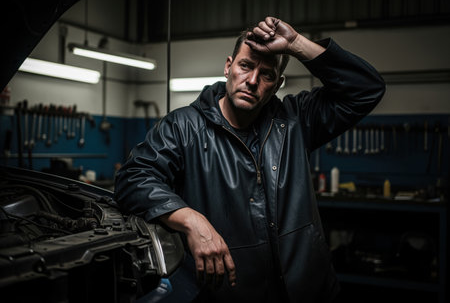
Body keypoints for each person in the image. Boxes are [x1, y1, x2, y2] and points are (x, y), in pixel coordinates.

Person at [114, 17, 385, 302]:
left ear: (278, 83)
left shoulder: (295, 122)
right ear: (228, 66)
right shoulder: (183, 127)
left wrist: (295, 44)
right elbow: (133, 179)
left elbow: (366, 89)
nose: (253, 80)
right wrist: (191, 221)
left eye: (267, 75)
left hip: (308, 291)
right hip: (229, 294)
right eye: (245, 66)